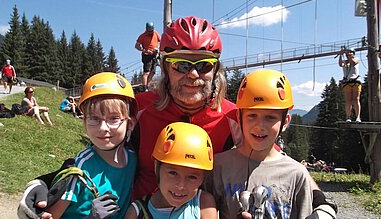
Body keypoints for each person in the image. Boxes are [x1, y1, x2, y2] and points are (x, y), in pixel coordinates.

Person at [18, 16, 337, 219]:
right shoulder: (140, 108)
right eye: (182, 64)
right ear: (165, 67)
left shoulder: (232, 118)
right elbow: (99, 149)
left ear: (216, 69)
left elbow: (276, 160)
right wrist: (46, 182)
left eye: (204, 65)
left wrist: (323, 204)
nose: (194, 74)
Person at [205, 69, 313, 218]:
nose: (259, 126)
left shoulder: (297, 175)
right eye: (252, 116)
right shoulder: (218, 167)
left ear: (285, 122)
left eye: (270, 117)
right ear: (239, 116)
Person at [37, 72, 137, 219]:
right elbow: (51, 216)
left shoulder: (133, 160)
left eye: (114, 118)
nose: (103, 127)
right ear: (84, 123)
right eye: (94, 118)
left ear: (130, 123)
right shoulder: (80, 170)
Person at [124, 122, 217, 219]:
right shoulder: (137, 212)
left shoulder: (204, 204)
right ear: (156, 167)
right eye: (173, 173)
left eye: (192, 177)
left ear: (203, 178)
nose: (181, 186)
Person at [135, 21, 161, 91]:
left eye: (151, 31)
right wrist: (144, 50)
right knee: (146, 72)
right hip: (147, 55)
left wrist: (157, 49)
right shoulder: (142, 36)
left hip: (154, 55)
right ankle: (144, 87)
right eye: (149, 31)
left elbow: (161, 40)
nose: (150, 33)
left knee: (153, 72)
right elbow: (137, 46)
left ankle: (147, 86)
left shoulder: (155, 33)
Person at [338, 47, 361, 122]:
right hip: (347, 82)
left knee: (356, 99)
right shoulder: (344, 62)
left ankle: (358, 117)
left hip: (356, 81)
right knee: (348, 100)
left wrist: (349, 56)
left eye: (350, 53)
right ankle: (348, 117)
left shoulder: (356, 59)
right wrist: (341, 55)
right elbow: (340, 64)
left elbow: (353, 63)